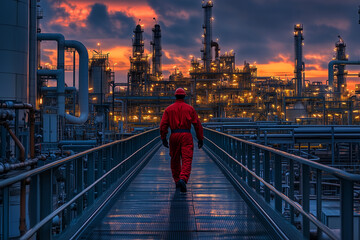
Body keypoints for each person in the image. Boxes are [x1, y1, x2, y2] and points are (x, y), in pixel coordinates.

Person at [160, 88, 204, 193]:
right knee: (187, 158)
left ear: (175, 96)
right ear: (184, 96)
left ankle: (176, 181)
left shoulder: (168, 109)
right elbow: (197, 125)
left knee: (174, 159)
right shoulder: (190, 109)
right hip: (186, 135)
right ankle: (183, 179)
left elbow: (163, 125)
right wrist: (200, 138)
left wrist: (163, 138)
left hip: (174, 135)